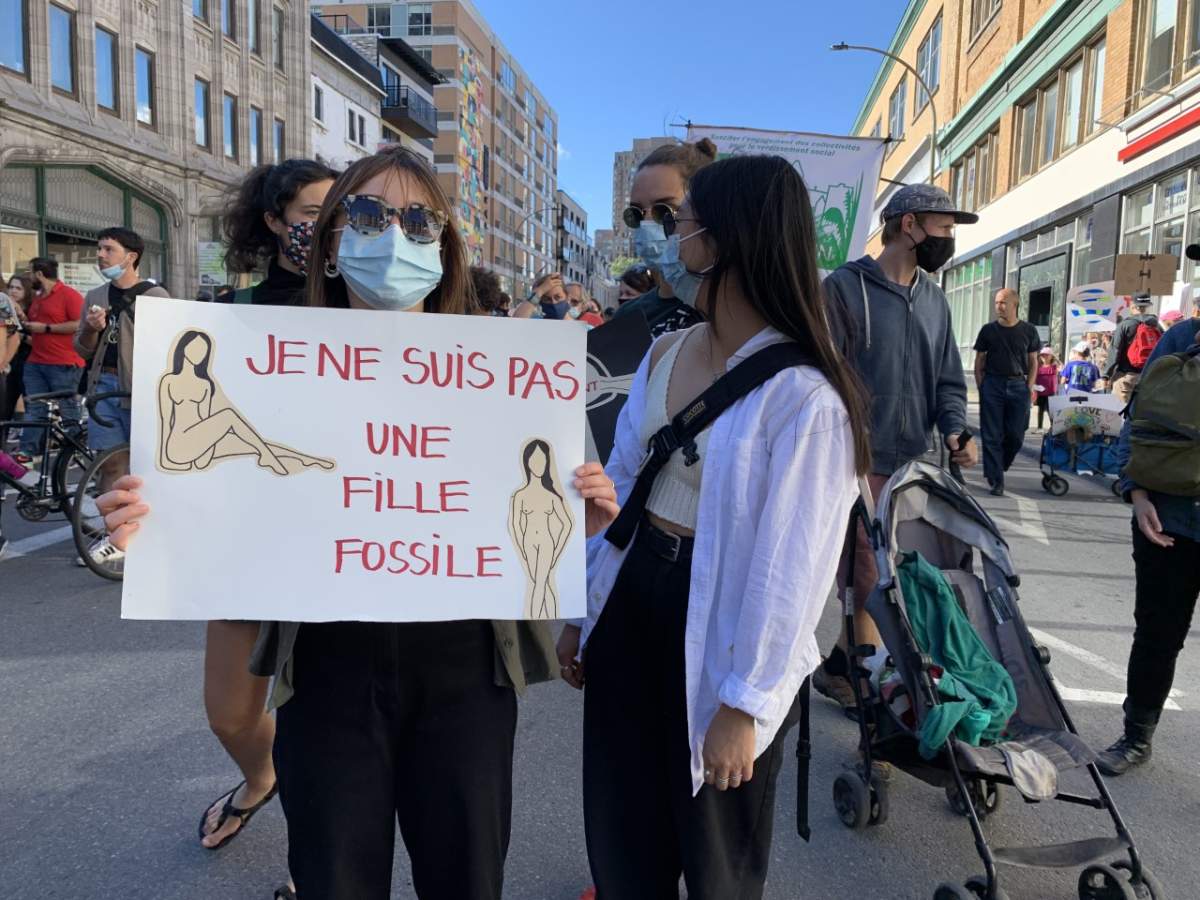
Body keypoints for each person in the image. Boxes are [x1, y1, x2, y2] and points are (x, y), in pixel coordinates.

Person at [97, 146, 618, 900]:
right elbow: (195, 472)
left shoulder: (510, 365)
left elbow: (549, 512)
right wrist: (147, 510)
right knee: (334, 876)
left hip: (468, 665)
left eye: (417, 218)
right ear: (333, 241)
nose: (393, 235)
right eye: (368, 215)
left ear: (443, 246)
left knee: (467, 877)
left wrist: (588, 519)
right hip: (326, 665)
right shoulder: (264, 358)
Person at [561, 155, 870, 899]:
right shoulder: (666, 351)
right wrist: (584, 612)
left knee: (716, 856)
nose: (669, 233)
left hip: (726, 624)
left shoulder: (805, 398)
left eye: (681, 216)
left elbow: (790, 573)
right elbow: (627, 489)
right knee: (621, 826)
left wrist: (744, 705)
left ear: (727, 236)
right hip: (635, 595)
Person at [175, 161, 336, 880]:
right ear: (273, 220)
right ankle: (262, 775)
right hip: (250, 538)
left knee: (332, 734)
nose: (326, 226)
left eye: (342, 211)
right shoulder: (225, 317)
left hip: (351, 545)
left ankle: (316, 871)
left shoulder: (378, 310)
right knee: (231, 714)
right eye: (310, 210)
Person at [814, 183, 977, 709]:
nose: (948, 238)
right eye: (944, 226)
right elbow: (822, 375)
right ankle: (871, 677)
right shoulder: (843, 288)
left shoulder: (934, 299)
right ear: (909, 224)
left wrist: (954, 428)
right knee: (869, 567)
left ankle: (843, 661)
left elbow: (949, 380)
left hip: (916, 462)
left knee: (894, 568)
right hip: (859, 458)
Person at [1097, 311, 1200, 776]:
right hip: (1165, 517)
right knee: (1157, 636)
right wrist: (1135, 492)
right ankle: (1137, 735)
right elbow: (1137, 420)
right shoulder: (1181, 338)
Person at [613, 139, 717, 337]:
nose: (647, 223)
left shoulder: (731, 314)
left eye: (665, 211)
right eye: (636, 213)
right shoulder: (628, 317)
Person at [222, 159, 340, 306]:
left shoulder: (358, 300)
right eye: (313, 212)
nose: (326, 223)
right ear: (273, 221)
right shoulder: (231, 308)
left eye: (334, 213)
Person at [16, 258, 85, 464]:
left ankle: (76, 445)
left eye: (30, 273)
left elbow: (79, 324)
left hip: (63, 362)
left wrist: (45, 328)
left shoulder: (69, 295)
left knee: (68, 408)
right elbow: (36, 326)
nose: (29, 277)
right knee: (35, 407)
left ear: (39, 274)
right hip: (36, 361)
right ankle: (27, 451)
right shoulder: (38, 298)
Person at [973, 288, 1040, 496]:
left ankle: (998, 466)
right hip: (992, 384)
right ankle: (997, 480)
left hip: (1018, 385)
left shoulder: (1028, 331)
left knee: (1016, 435)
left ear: (1014, 305)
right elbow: (979, 360)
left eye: (1003, 302)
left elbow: (1033, 361)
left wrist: (1029, 386)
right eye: (996, 303)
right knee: (991, 434)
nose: (998, 307)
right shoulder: (988, 330)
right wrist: (981, 386)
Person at [1103, 296, 1161, 405]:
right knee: (1143, 416)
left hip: (1126, 377)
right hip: (1150, 378)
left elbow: (1115, 351)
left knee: (1118, 415)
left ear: (1132, 306)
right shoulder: (1157, 326)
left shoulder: (1125, 325)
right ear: (1148, 307)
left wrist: (1106, 375)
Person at [1033, 347, 1058, 430]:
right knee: (1040, 411)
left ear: (1051, 356)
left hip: (1051, 393)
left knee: (1050, 411)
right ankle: (1039, 427)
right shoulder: (1038, 367)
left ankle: (1053, 427)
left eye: (1046, 355)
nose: (1044, 357)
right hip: (1040, 393)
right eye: (1042, 355)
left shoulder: (1054, 367)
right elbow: (1034, 380)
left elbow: (1061, 368)